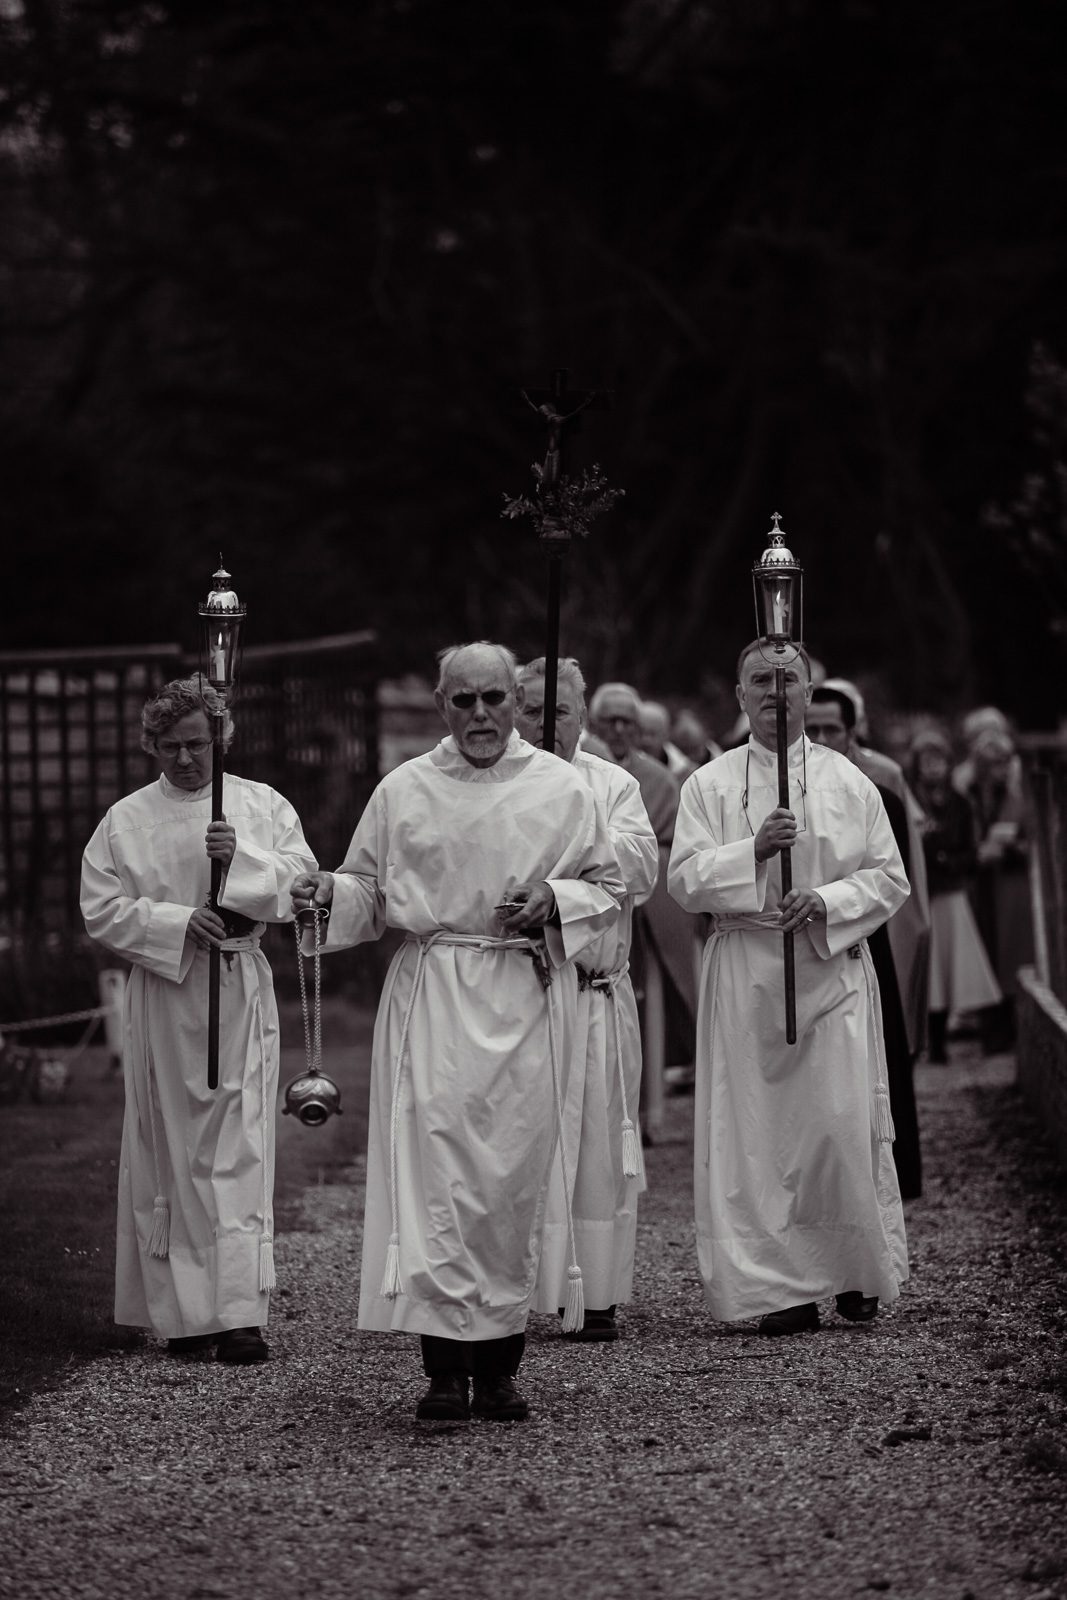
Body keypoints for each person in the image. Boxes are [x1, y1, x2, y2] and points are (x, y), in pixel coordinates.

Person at [290, 642, 625, 1422]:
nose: (480, 715)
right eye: (463, 700)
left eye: (494, 699)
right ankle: (443, 1369)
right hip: (434, 996)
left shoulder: (560, 787)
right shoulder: (406, 788)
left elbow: (605, 885)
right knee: (434, 1178)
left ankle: (500, 1366)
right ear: (442, 704)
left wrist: (553, 897)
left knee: (509, 1178)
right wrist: (323, 892)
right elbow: (369, 892)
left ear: (516, 701)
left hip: (520, 990)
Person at [668, 642, 911, 1335]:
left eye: (788, 682)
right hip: (746, 966)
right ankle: (778, 1287)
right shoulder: (708, 786)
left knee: (836, 1124)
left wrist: (829, 900)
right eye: (759, 683)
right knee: (758, 1136)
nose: (775, 696)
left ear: (810, 694)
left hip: (827, 966)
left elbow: (887, 878)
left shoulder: (849, 784)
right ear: (738, 696)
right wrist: (752, 851)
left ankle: (853, 1270)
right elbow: (683, 880)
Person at [80, 677, 317, 1364]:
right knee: (175, 1155)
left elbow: (301, 886)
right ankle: (187, 1316)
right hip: (166, 993)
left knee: (237, 1147)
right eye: (171, 746)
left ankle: (240, 1312)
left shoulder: (259, 804)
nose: (186, 760)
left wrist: (238, 860)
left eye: (198, 744)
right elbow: (101, 909)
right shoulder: (125, 820)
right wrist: (181, 921)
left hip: (238, 985)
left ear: (220, 740)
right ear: (150, 744)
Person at [515, 656, 658, 1341]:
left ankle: (596, 1291)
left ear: (581, 716)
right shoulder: (492, 786)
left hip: (594, 992)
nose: (546, 724)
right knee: (519, 1143)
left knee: (597, 1150)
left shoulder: (614, 786)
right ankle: (516, 1289)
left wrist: (568, 823)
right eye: (532, 712)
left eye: (559, 711)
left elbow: (636, 871)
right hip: (520, 996)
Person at [806, 685, 927, 1199]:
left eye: (833, 727)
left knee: (882, 1048)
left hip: (866, 933)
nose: (822, 737)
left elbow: (898, 877)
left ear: (855, 731)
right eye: (814, 727)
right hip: (809, 933)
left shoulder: (882, 786)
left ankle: (895, 1163)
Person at [589, 683, 698, 1132]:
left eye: (626, 721)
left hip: (643, 915)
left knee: (645, 1011)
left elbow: (673, 847)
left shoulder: (659, 780)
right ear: (593, 724)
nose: (617, 729)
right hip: (588, 917)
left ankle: (645, 1115)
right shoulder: (574, 773)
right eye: (608, 720)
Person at [908, 728, 1002, 1062]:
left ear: (949, 763)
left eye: (939, 760)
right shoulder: (910, 800)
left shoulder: (961, 804)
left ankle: (946, 1037)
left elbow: (970, 849)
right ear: (916, 765)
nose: (933, 768)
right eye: (926, 761)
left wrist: (948, 860)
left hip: (951, 892)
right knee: (928, 969)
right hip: (921, 893)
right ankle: (930, 1041)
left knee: (949, 967)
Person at [954, 716, 1032, 1049]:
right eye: (992, 763)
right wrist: (975, 853)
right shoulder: (966, 796)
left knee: (1012, 955)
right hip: (978, 886)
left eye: (1004, 761)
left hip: (1010, 887)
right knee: (982, 953)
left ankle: (1013, 1029)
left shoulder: (1020, 794)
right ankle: (990, 1030)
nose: (1001, 768)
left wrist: (1011, 849)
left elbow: (1035, 840)